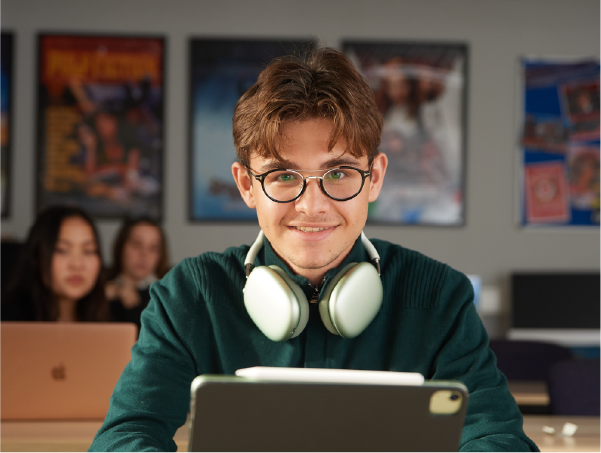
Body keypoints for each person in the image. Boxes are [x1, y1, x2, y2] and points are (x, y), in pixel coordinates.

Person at [90, 47, 539, 452]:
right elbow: (126, 437)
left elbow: (498, 439)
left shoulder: (439, 296)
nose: (312, 206)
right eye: (284, 176)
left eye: (339, 173)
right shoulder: (190, 295)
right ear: (247, 185)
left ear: (375, 178)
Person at [0, 205, 107, 322]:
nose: (77, 264)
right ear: (37, 257)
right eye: (62, 250)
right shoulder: (7, 321)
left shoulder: (112, 326)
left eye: (88, 251)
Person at [105, 217, 169, 331]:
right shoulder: (99, 292)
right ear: (121, 247)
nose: (144, 254)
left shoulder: (169, 298)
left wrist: (133, 306)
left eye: (153, 248)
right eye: (136, 244)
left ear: (160, 255)